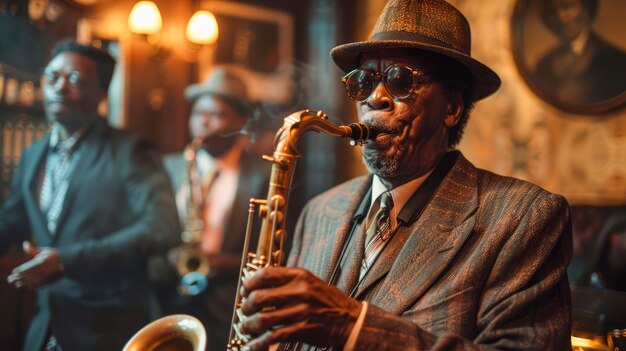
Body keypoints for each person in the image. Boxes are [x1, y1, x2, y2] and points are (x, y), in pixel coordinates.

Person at [236, 0, 573, 350]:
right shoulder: (319, 211)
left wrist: (354, 328)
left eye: (400, 80)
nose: (375, 98)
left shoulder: (524, 217)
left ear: (452, 108)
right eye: (362, 82)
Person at [0, 40, 180, 351]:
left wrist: (68, 259)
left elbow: (162, 228)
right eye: (52, 76)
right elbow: (14, 219)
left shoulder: (130, 151)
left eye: (75, 79)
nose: (60, 87)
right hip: (45, 321)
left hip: (108, 326)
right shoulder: (33, 154)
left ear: (101, 92)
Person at [156, 67, 271, 350]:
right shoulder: (168, 167)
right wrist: (168, 258)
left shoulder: (262, 175)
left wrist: (227, 263)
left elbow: (276, 246)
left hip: (228, 307)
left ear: (241, 120)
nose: (202, 123)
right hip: (167, 303)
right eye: (197, 114)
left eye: (216, 115)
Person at [534, 0, 626, 106]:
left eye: (567, 7)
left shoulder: (617, 61)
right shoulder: (544, 64)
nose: (560, 17)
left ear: (586, 9)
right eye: (552, 11)